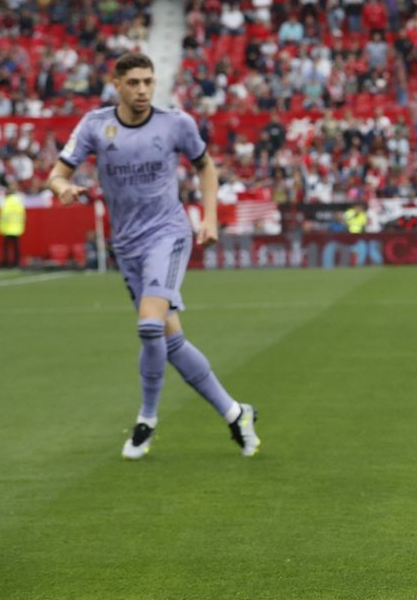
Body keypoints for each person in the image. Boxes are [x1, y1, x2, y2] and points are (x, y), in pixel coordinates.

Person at [46, 53, 260, 460]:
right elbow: (57, 172)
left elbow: (206, 167)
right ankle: (236, 413)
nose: (143, 90)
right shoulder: (95, 125)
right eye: (134, 83)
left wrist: (209, 218)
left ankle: (146, 419)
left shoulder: (175, 122)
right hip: (127, 245)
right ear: (117, 84)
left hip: (168, 235)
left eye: (148, 81)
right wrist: (62, 189)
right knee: (170, 339)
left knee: (149, 324)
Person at [0, 181, 24, 268]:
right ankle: (16, 262)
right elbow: (22, 216)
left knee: (6, 248)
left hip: (8, 229)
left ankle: (7, 262)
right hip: (17, 228)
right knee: (16, 247)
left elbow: (3, 217)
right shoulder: (19, 202)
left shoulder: (6, 203)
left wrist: (1, 229)